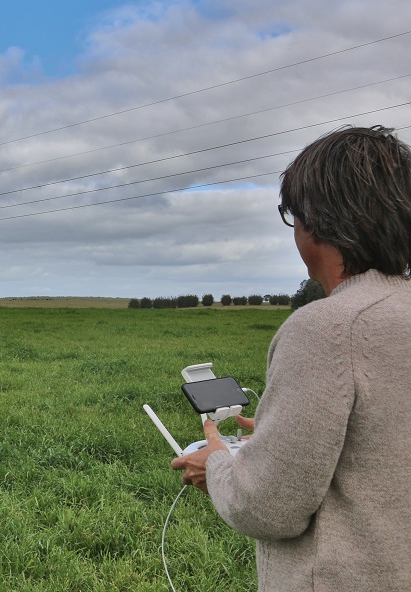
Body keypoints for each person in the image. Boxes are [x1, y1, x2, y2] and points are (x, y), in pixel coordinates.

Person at [171, 125, 411, 591]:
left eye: (292, 215)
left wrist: (218, 464)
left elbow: (267, 506)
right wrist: (285, 441)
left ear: (314, 220)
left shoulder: (326, 328)